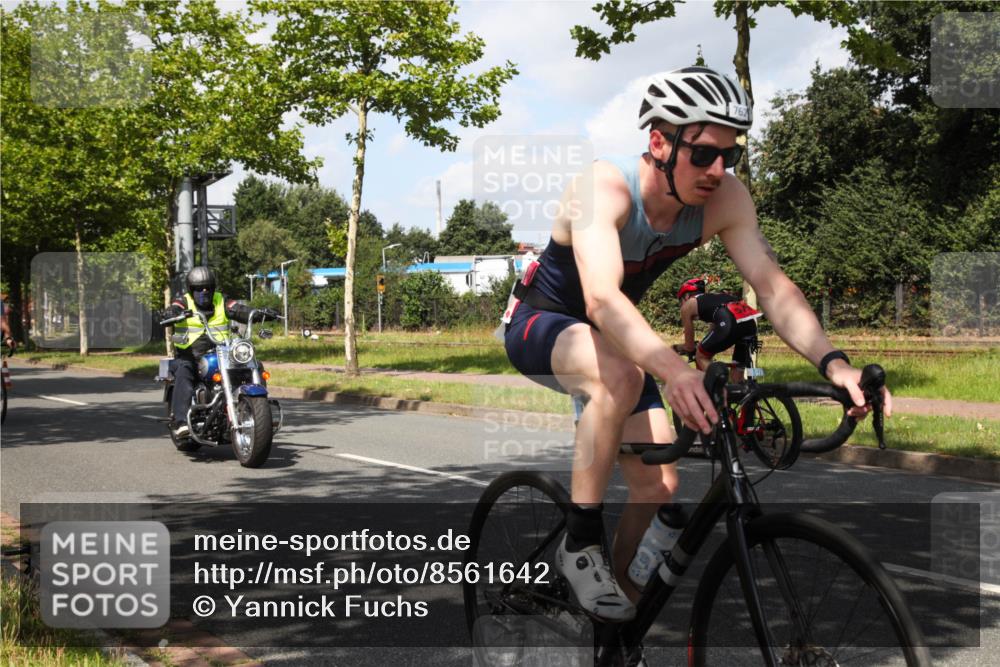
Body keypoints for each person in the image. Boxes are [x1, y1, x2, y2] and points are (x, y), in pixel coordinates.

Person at [502, 66, 891, 620]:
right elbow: (603, 302)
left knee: (660, 486)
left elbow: (772, 287)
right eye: (703, 153)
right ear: (659, 142)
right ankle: (578, 541)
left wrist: (835, 364)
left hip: (609, 337)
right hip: (541, 323)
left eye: (727, 157)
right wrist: (674, 371)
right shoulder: (603, 188)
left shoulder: (725, 199)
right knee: (620, 374)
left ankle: (617, 631)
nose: (716, 171)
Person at [159, 266, 278, 438]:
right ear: (191, 289)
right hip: (190, 355)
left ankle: (259, 412)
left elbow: (237, 309)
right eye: (199, 288)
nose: (204, 291)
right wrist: (171, 313)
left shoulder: (221, 300)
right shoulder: (183, 302)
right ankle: (180, 422)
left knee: (255, 365)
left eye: (208, 287)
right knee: (185, 371)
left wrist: (259, 313)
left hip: (222, 352)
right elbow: (174, 308)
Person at [674, 277, 761, 378]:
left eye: (680, 301)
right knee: (737, 370)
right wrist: (703, 345)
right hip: (749, 323)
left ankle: (720, 386)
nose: (681, 305)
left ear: (686, 296)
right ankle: (741, 390)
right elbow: (714, 331)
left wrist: (675, 348)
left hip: (728, 319)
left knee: (701, 356)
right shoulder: (715, 298)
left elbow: (689, 347)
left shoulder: (688, 305)